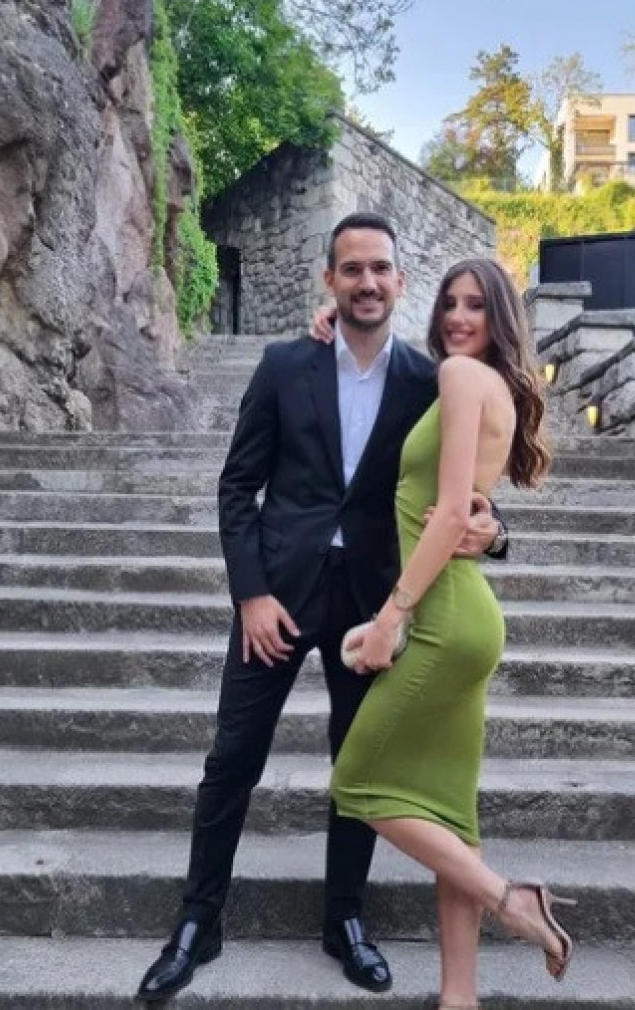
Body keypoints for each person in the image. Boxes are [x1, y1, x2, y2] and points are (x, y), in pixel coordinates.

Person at [136, 212, 508, 1003]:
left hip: (373, 605)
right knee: (231, 759)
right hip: (275, 596)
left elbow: (466, 487)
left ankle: (344, 919)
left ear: (400, 281)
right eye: (352, 269)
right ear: (329, 279)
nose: (366, 282)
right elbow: (237, 487)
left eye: (380, 268)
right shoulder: (282, 365)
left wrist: (495, 531)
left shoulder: (430, 379)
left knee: (356, 763)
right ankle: (198, 921)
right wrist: (250, 593)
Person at [330, 256, 575, 1006]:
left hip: (442, 616)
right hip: (465, 614)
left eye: (475, 306)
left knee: (356, 783)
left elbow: (444, 517)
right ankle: (459, 997)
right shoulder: (488, 382)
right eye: (449, 304)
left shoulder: (463, 378)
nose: (458, 318)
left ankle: (512, 901)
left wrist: (389, 619)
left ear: (500, 318)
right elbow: (468, 511)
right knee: (450, 816)